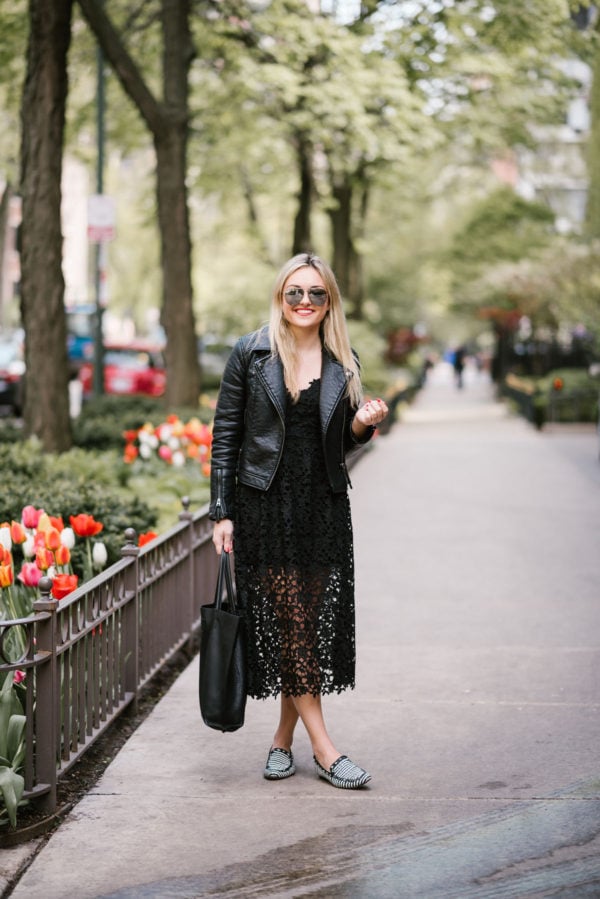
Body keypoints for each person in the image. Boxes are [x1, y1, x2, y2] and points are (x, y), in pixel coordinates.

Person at [209, 252, 388, 790]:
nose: (304, 302)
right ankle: (327, 750)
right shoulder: (252, 351)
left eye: (315, 293)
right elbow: (226, 434)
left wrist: (361, 423)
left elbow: (340, 446)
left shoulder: (342, 359)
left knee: (302, 628)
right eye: (295, 293)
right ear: (280, 297)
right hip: (264, 505)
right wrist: (222, 510)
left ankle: (281, 743)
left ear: (329, 300)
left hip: (323, 508)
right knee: (292, 625)